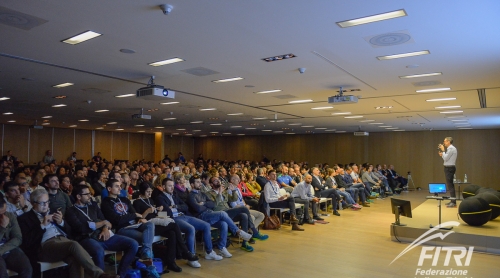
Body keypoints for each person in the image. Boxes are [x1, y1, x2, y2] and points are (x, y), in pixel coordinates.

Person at [18, 188, 118, 278]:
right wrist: (42, 226)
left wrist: (61, 222)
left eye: (47, 202)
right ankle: (100, 275)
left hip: (63, 240)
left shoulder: (53, 211)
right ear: (33, 203)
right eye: (42, 203)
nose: (46, 205)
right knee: (73, 245)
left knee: (74, 260)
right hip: (45, 246)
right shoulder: (25, 218)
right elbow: (27, 242)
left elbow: (70, 232)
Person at [65, 184, 138, 277]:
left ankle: (121, 275)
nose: (90, 196)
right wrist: (102, 223)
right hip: (86, 238)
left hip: (103, 235)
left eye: (90, 194)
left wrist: (105, 228)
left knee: (133, 244)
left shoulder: (93, 206)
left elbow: (106, 221)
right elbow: (81, 229)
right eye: (87, 194)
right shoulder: (71, 211)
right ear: (78, 196)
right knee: (99, 250)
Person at [133, 182, 199, 272]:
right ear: (142, 191)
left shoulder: (150, 200)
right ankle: (184, 251)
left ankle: (171, 262)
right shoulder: (137, 202)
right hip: (148, 227)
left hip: (156, 223)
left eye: (150, 191)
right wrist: (148, 211)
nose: (150, 193)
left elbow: (155, 215)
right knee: (174, 225)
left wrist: (158, 211)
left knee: (172, 233)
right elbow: (139, 219)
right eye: (147, 191)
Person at [154, 178, 223, 263]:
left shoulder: (174, 195)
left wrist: (175, 207)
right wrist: (177, 207)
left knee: (206, 225)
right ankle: (191, 256)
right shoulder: (160, 198)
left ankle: (209, 252)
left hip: (184, 215)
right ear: (164, 187)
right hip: (174, 219)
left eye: (172, 185)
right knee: (190, 228)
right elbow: (167, 211)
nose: (172, 188)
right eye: (169, 186)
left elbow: (185, 206)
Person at [100, 179, 160, 278]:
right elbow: (116, 220)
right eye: (117, 186)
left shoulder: (125, 200)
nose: (120, 188)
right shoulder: (106, 203)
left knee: (149, 225)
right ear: (109, 189)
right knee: (147, 238)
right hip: (123, 229)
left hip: (135, 225)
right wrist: (134, 215)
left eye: (120, 185)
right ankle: (148, 264)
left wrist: (140, 218)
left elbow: (136, 214)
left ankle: (145, 256)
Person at [187, 177, 253, 258]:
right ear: (192, 185)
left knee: (224, 224)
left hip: (210, 213)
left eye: (200, 181)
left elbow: (212, 204)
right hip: (201, 217)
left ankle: (222, 247)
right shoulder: (191, 196)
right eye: (197, 182)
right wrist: (206, 205)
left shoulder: (202, 193)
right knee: (222, 213)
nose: (200, 183)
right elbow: (198, 209)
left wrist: (203, 203)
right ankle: (238, 231)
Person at [0, 197, 32, 278]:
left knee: (27, 269)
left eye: (4, 212)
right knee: (2, 273)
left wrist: (2, 250)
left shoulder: (10, 216)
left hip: (9, 248)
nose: (3, 216)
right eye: (0, 214)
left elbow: (18, 238)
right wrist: (3, 228)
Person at [439, 136, 458, 207]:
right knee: (450, 185)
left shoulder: (451, 149)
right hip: (448, 168)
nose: (444, 143)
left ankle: (453, 202)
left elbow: (446, 158)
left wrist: (443, 151)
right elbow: (445, 158)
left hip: (449, 168)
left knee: (450, 185)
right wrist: (442, 155)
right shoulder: (450, 149)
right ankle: (452, 200)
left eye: (444, 141)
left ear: (448, 142)